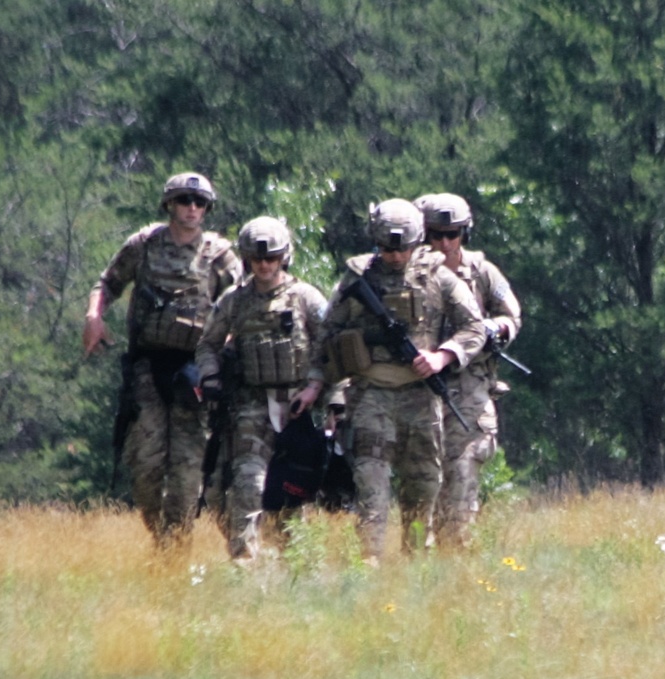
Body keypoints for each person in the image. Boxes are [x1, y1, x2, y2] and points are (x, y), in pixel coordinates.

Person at [83, 172, 242, 549]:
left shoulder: (219, 254)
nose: (192, 208)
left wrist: (230, 346)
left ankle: (177, 550)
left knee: (188, 472)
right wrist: (94, 317)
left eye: (199, 202)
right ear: (169, 203)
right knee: (147, 468)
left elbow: (242, 300)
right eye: (185, 200)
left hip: (196, 372)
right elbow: (107, 282)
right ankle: (164, 540)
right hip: (149, 369)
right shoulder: (145, 245)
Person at [320, 198, 485, 563]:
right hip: (371, 396)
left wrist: (443, 356)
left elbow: (474, 327)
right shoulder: (357, 279)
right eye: (387, 249)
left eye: (404, 249)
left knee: (423, 487)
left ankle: (415, 566)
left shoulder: (439, 276)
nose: (395, 257)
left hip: (420, 398)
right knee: (371, 489)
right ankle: (370, 566)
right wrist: (330, 388)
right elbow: (327, 334)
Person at [195, 216, 328, 562]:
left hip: (297, 411)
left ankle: (297, 566)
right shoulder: (234, 301)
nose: (264, 265)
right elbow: (207, 345)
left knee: (291, 494)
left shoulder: (305, 298)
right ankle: (244, 563)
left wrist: (317, 388)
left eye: (271, 258)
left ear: (284, 257)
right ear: (247, 259)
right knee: (247, 484)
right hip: (250, 408)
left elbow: (330, 347)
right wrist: (209, 378)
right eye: (257, 259)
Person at [415, 192, 522, 549]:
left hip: (469, 389)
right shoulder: (407, 275)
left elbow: (513, 316)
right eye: (436, 235)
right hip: (416, 389)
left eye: (453, 234)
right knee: (420, 483)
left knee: (461, 477)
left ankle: (454, 557)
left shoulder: (482, 273)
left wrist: (496, 329)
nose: (445, 243)